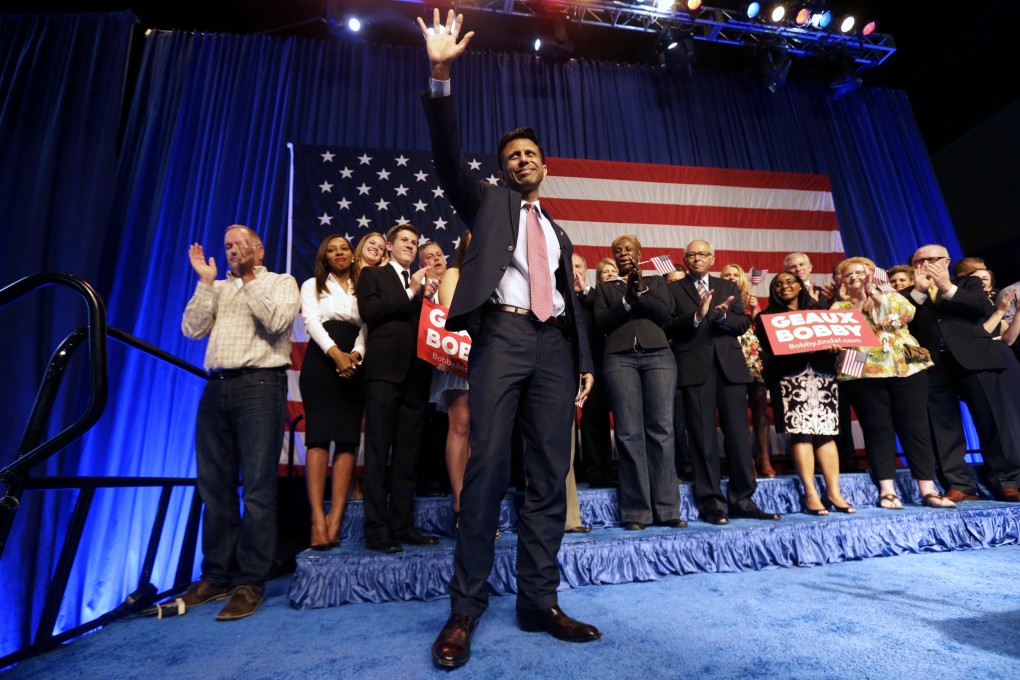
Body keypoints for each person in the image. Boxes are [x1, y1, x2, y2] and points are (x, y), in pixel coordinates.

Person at [419, 9, 598, 669]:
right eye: (510, 156)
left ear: (543, 166)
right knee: (489, 467)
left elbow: (570, 296)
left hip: (555, 349)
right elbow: (444, 155)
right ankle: (464, 610)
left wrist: (581, 360)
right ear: (501, 169)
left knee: (550, 476)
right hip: (502, 339)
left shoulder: (557, 229)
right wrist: (440, 73)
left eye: (528, 155)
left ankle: (538, 600)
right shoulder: (489, 202)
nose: (520, 161)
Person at [180, 224, 299, 620]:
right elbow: (192, 329)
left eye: (240, 245)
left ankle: (250, 581)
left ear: (259, 249)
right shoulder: (217, 286)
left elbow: (278, 322)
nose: (232, 250)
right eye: (228, 245)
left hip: (261, 386)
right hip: (216, 387)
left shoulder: (281, 282)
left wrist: (248, 280)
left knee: (258, 489)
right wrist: (205, 282)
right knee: (213, 487)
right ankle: (216, 576)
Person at [666, 239, 780, 525]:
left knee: (739, 437)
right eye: (691, 255)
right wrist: (697, 316)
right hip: (694, 370)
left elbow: (742, 324)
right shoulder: (672, 288)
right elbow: (668, 325)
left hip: (730, 370)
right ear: (685, 259)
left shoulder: (728, 287)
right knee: (703, 440)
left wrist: (720, 319)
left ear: (712, 258)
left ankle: (743, 499)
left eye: (702, 254)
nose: (696, 259)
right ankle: (711, 503)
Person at [832, 257, 956, 509]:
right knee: (878, 430)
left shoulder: (894, 297)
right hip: (863, 371)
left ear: (873, 275)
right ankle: (887, 491)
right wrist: (857, 302)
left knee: (916, 429)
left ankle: (928, 490)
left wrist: (875, 295)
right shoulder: (839, 306)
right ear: (841, 281)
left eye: (861, 272)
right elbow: (848, 329)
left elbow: (905, 315)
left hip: (905, 368)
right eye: (849, 274)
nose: (856, 276)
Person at [906, 245, 1020, 503]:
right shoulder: (907, 294)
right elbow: (905, 319)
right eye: (918, 261)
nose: (924, 264)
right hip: (933, 365)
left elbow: (981, 308)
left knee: (992, 422)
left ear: (946, 261)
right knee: (943, 427)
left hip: (975, 359)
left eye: (931, 260)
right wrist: (920, 292)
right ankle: (960, 485)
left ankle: (1006, 481)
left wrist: (946, 286)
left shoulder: (969, 283)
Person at [356, 223, 441, 553]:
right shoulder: (372, 277)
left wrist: (428, 301)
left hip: (416, 375)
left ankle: (403, 524)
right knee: (378, 452)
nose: (410, 245)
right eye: (404, 240)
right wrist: (411, 293)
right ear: (389, 247)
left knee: (408, 454)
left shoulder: (424, 287)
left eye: (414, 242)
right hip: (382, 374)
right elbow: (371, 311)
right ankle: (376, 528)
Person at [595, 235, 682, 531]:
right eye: (617, 250)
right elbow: (602, 323)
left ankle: (668, 507)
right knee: (629, 433)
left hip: (658, 356)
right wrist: (627, 301)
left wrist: (640, 290)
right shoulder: (605, 288)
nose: (622, 253)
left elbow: (664, 316)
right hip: (619, 359)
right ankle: (636, 511)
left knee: (661, 431)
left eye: (628, 249)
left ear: (639, 253)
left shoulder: (656, 282)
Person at [756, 273, 854, 514]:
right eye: (778, 284)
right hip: (790, 378)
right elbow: (769, 348)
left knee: (826, 434)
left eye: (790, 282)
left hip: (822, 375)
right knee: (801, 434)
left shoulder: (821, 311)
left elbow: (841, 340)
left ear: (800, 286)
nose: (784, 287)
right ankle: (811, 494)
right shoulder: (767, 317)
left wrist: (834, 346)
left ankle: (834, 493)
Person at [298, 235, 365, 550]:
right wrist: (336, 354)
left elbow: (367, 325)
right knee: (319, 437)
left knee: (348, 439)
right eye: (331, 250)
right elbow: (311, 322)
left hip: (355, 362)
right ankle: (316, 518)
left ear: (352, 254)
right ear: (324, 257)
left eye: (344, 248)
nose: (339, 253)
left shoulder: (363, 284)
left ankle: (335, 520)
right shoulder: (312, 284)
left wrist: (356, 355)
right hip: (321, 362)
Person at [432, 233, 472, 527]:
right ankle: (461, 504)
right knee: (460, 424)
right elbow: (450, 314)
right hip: (461, 351)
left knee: (483, 432)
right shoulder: (455, 273)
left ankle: (477, 502)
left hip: (492, 355)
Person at [720, 264, 775, 478]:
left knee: (760, 408)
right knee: (735, 411)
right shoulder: (716, 296)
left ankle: (764, 457)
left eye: (735, 275)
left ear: (742, 278)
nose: (731, 278)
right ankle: (745, 459)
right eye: (727, 275)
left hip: (753, 357)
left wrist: (754, 310)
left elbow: (764, 330)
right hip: (729, 357)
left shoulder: (750, 298)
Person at [573, 253, 615, 488]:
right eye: (570, 267)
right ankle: (588, 472)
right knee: (586, 421)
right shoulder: (562, 298)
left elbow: (595, 300)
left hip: (608, 366)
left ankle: (605, 472)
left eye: (579, 266)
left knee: (605, 421)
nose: (575, 271)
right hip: (579, 368)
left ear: (586, 269)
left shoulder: (597, 296)